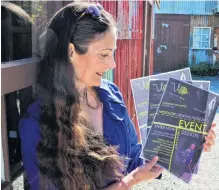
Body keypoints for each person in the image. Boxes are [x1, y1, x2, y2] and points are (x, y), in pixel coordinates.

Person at [19, 2, 217, 190]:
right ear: (71, 52)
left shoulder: (110, 94)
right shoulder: (36, 122)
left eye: (113, 53)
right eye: (104, 54)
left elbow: (133, 157)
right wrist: (132, 180)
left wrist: (188, 142)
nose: (112, 64)